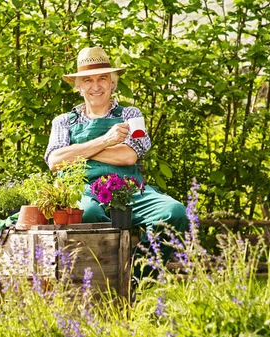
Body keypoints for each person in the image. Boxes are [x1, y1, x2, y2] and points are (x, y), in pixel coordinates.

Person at [44, 46, 188, 281]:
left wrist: (79, 152)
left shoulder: (132, 115)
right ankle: (94, 283)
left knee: (174, 212)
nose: (96, 86)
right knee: (86, 213)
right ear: (78, 86)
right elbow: (55, 161)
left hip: (128, 189)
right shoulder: (63, 122)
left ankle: (137, 278)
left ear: (113, 83)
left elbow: (129, 156)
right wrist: (106, 140)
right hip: (81, 190)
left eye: (103, 78)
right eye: (88, 80)